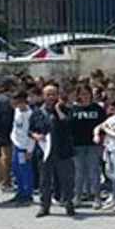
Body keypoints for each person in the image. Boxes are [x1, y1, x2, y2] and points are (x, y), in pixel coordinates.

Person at [29, 84, 76, 218]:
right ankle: (45, 206)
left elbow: (69, 124)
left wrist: (58, 109)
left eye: (53, 94)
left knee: (66, 179)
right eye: (48, 94)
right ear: (43, 96)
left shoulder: (66, 109)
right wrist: (35, 136)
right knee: (44, 180)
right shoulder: (37, 112)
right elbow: (30, 130)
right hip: (44, 152)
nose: (51, 97)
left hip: (62, 150)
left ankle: (68, 204)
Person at [71, 85, 104, 204]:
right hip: (77, 145)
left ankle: (97, 197)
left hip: (93, 145)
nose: (85, 96)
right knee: (79, 172)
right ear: (78, 95)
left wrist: (101, 143)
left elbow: (103, 126)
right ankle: (78, 196)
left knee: (94, 171)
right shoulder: (73, 109)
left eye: (87, 93)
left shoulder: (97, 109)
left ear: (91, 94)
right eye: (82, 94)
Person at [7, 92, 35, 206]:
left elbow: (32, 133)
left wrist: (30, 150)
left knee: (25, 170)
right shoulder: (17, 111)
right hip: (17, 144)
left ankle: (27, 194)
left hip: (25, 146)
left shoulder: (30, 114)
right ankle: (20, 191)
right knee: (16, 169)